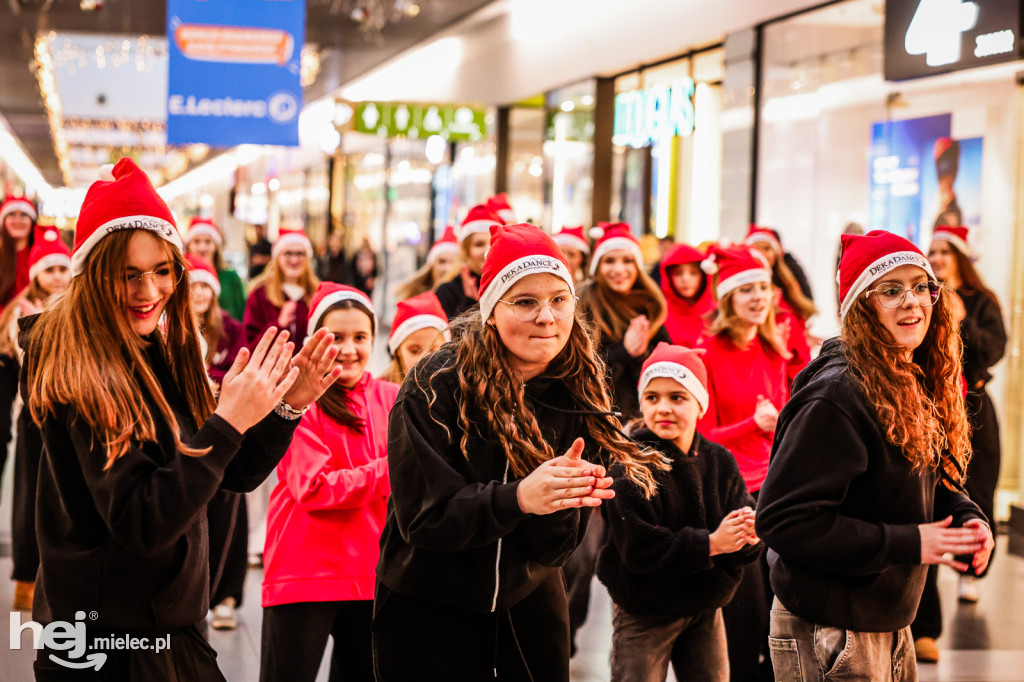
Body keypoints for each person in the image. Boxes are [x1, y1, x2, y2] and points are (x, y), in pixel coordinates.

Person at [21, 158, 343, 681]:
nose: (149, 292)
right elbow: (142, 522)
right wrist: (227, 422)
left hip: (167, 625)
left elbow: (227, 476)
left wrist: (288, 404)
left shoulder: (161, 351)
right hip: (108, 642)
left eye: (161, 271)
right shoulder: (81, 373)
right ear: (94, 276)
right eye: (128, 275)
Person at [373, 222, 665, 681]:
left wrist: (563, 503)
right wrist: (520, 498)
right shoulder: (435, 384)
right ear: (490, 310)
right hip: (430, 603)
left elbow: (555, 550)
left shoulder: (577, 388)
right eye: (525, 302)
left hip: (529, 605)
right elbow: (424, 520)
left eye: (558, 299)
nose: (547, 317)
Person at [756, 229, 994, 682]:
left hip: (885, 619)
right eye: (891, 290)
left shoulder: (906, 373)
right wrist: (911, 541)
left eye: (921, 286)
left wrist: (968, 518)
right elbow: (782, 520)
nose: (912, 301)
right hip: (830, 627)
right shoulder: (837, 394)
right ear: (861, 307)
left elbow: (928, 482)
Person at [598, 342, 762, 682]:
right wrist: (712, 545)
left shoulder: (719, 461)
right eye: (653, 397)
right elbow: (640, 550)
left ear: (701, 405)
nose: (663, 408)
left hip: (704, 605)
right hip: (644, 611)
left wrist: (751, 534)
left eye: (678, 397)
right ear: (641, 403)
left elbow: (741, 535)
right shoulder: (630, 467)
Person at [261, 283, 399, 682]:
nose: (350, 349)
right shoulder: (293, 398)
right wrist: (396, 468)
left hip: (373, 576)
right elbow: (315, 487)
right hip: (302, 575)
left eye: (360, 337)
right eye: (335, 337)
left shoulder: (392, 397)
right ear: (314, 340)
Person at [910, 225, 1006, 661]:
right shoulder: (924, 299)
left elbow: (993, 351)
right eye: (933, 251)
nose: (940, 256)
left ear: (961, 256)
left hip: (975, 409)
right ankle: (924, 624)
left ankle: (972, 569)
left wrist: (963, 318)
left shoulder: (982, 302)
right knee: (927, 503)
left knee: (976, 493)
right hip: (930, 408)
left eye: (946, 250)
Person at [698, 243, 789, 682]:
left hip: (776, 487)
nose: (758, 297)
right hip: (732, 489)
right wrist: (753, 423)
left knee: (781, 603)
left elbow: (789, 420)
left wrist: (774, 424)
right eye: (747, 289)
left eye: (764, 287)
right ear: (728, 297)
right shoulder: (709, 351)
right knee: (745, 608)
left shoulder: (776, 349)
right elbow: (703, 436)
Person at [2, 224, 71, 611]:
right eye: (50, 270)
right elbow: (30, 363)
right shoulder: (23, 314)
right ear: (36, 275)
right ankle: (26, 578)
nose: (58, 277)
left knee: (64, 494)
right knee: (30, 495)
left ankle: (57, 572)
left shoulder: (81, 308)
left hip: (70, 412)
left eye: (63, 269)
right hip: (34, 416)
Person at [186, 254, 250, 631]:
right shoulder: (167, 325)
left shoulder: (229, 328)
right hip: (189, 423)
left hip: (226, 418)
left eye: (204, 287)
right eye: (191, 285)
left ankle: (225, 593)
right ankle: (196, 593)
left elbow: (240, 367)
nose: (198, 294)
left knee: (229, 501)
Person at [745, 226, 816, 384]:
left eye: (767, 248)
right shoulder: (743, 296)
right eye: (757, 248)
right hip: (764, 372)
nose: (762, 253)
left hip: (794, 367)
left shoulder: (788, 286)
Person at [0, 196, 37, 490]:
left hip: (30, 350)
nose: (17, 220)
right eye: (11, 214)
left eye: (23, 215)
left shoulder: (43, 257)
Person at [244, 226, 319, 346]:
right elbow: (250, 344)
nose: (294, 260)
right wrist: (278, 325)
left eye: (300, 254)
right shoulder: (259, 295)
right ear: (277, 257)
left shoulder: (317, 294)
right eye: (288, 253)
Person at [434, 205, 502, 321]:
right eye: (479, 244)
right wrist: (470, 302)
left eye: (493, 242)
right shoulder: (447, 292)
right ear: (465, 251)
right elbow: (447, 336)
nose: (488, 250)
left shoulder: (509, 284)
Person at [184, 217, 247, 321]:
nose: (202, 247)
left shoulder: (231, 278)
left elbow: (242, 314)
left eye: (208, 242)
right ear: (189, 245)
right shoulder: (180, 277)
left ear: (216, 246)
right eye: (196, 241)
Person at [380, 291, 449, 385]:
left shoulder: (457, 390)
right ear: (397, 353)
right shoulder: (379, 394)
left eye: (434, 351)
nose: (424, 359)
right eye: (415, 351)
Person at [659, 242, 715, 348]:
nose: (685, 279)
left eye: (693, 273)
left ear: (703, 276)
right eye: (678, 273)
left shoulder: (718, 311)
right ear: (669, 277)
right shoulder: (661, 313)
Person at [394, 226, 460, 301]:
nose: (448, 268)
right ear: (431, 266)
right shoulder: (416, 301)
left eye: (454, 263)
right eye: (442, 261)